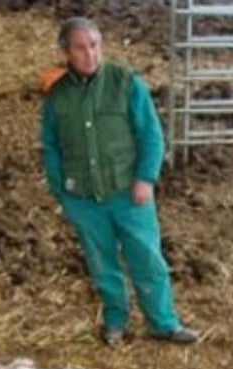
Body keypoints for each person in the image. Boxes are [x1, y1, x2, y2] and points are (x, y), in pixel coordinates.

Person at [40, 17, 198, 347]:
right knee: (102, 263)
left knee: (147, 258)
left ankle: (163, 322)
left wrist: (146, 178)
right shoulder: (57, 97)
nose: (90, 54)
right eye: (80, 48)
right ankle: (116, 321)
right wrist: (62, 193)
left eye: (95, 45)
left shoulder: (125, 84)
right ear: (66, 52)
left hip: (129, 192)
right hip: (84, 198)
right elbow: (51, 148)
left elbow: (152, 136)